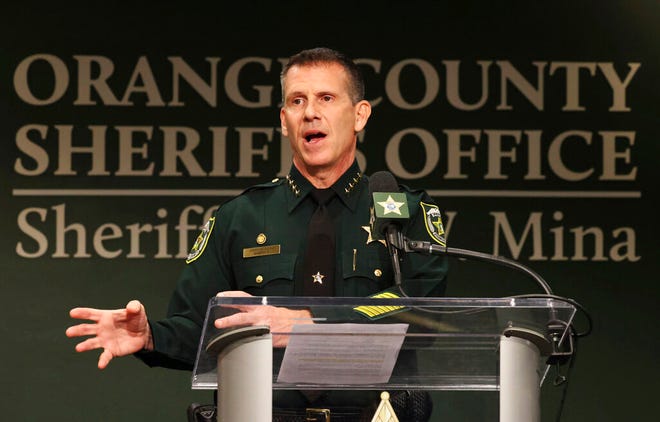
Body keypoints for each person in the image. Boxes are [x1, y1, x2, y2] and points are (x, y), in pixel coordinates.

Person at [67, 47, 448, 421]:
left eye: (326, 98)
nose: (311, 112)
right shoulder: (241, 217)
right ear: (284, 121)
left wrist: (307, 323)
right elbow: (199, 327)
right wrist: (151, 336)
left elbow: (423, 309)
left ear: (360, 115)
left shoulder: (403, 211)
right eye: (297, 102)